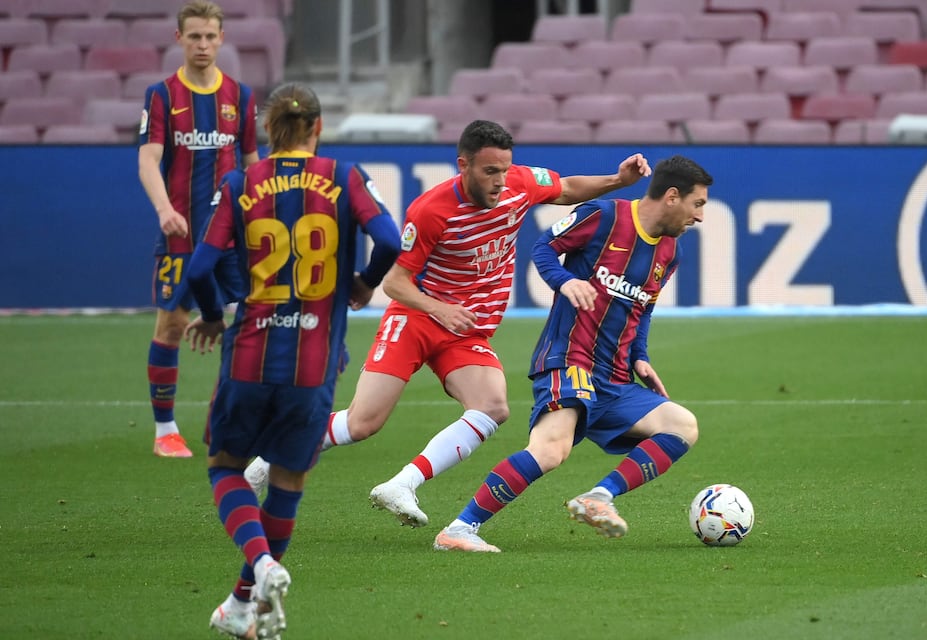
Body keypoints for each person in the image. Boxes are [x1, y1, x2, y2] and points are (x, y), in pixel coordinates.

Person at [246, 120, 651, 529]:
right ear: (464, 165)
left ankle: (403, 484)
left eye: (504, 170)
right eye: (489, 171)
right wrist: (440, 308)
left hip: (465, 330)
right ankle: (274, 452)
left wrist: (618, 179)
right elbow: (396, 283)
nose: (499, 181)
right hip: (417, 319)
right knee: (363, 422)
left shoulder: (520, 184)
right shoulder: (430, 210)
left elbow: (566, 189)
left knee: (493, 406)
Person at [184, 82, 400, 638]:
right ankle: (242, 603)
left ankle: (257, 569)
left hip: (250, 355)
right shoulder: (345, 176)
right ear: (318, 127)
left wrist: (211, 315)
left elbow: (199, 270)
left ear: (267, 129)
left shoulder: (239, 182)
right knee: (286, 481)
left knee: (226, 466)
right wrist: (363, 284)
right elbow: (391, 241)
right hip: (314, 363)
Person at [432, 155, 713, 552]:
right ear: (672, 197)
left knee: (682, 425)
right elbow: (543, 248)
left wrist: (640, 355)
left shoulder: (669, 252)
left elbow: (643, 307)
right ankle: (458, 530)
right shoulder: (601, 215)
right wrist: (565, 282)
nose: (699, 216)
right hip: (569, 360)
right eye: (697, 204)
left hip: (615, 377)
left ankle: (598, 497)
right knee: (551, 450)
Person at [138, 1, 258, 458]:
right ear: (179, 39)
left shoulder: (240, 97)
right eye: (194, 37)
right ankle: (165, 430)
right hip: (181, 234)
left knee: (249, 324)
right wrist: (164, 208)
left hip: (233, 238)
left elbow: (250, 164)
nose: (203, 45)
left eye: (210, 37)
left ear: (221, 38)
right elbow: (148, 159)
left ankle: (230, 418)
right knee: (171, 325)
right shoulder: (163, 95)